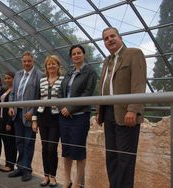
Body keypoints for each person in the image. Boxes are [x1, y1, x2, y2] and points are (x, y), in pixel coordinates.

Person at [96, 27, 146, 188]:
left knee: (125, 159)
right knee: (111, 156)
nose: (109, 40)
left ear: (120, 37)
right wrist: (99, 110)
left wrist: (133, 109)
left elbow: (138, 84)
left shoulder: (134, 54)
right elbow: (103, 86)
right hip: (109, 113)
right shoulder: (107, 60)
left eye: (112, 36)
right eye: (106, 38)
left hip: (126, 113)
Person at [58, 45, 97, 188]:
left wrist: (70, 108)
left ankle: (77, 183)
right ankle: (67, 179)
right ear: (71, 57)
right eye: (73, 54)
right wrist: (62, 107)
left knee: (78, 150)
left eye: (79, 53)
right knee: (66, 149)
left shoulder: (90, 72)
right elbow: (60, 92)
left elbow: (87, 93)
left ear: (84, 54)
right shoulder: (69, 72)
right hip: (64, 117)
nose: (76, 55)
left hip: (80, 116)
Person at [8, 51, 43, 182]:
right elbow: (12, 93)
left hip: (29, 115)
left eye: (29, 61)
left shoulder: (39, 75)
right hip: (17, 114)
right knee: (19, 142)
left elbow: (40, 97)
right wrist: (11, 106)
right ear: (22, 62)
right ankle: (20, 167)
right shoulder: (17, 74)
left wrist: (33, 112)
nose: (27, 63)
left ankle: (27, 169)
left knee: (29, 143)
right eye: (24, 61)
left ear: (33, 61)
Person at [31, 55, 63, 187]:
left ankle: (53, 176)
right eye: (49, 64)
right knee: (45, 147)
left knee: (52, 147)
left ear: (58, 65)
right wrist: (34, 120)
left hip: (56, 117)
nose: (51, 66)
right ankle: (46, 176)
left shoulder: (63, 80)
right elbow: (36, 100)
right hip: (43, 116)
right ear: (46, 67)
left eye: (53, 64)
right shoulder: (42, 80)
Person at [0, 72, 17, 173]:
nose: (7, 80)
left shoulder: (15, 90)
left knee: (11, 143)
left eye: (9, 78)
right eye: (5, 78)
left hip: (9, 120)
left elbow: (13, 107)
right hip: (2, 119)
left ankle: (11, 164)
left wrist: (10, 122)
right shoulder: (5, 90)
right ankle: (7, 163)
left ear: (13, 79)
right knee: (6, 142)